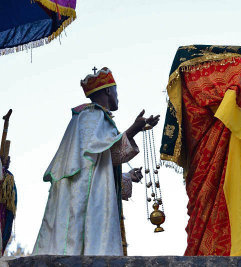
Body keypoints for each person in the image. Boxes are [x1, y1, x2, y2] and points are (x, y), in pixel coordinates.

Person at [33, 67, 159, 256]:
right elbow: (97, 157)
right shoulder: (91, 114)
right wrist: (134, 128)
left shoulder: (94, 117)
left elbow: (101, 161)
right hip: (80, 197)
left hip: (84, 190)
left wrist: (127, 177)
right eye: (116, 90)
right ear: (108, 90)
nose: (118, 96)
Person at [160, 45, 241, 256]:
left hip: (216, 166)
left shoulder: (198, 97)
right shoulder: (224, 99)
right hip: (201, 166)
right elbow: (238, 87)